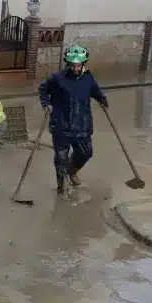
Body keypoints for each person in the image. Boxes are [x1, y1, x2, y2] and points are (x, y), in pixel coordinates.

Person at [38, 45, 108, 198]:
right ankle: (62, 189)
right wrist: (46, 104)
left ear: (83, 64)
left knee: (86, 153)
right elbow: (43, 89)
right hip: (61, 125)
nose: (76, 68)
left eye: (78, 65)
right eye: (73, 65)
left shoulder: (88, 78)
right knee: (61, 158)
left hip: (82, 125)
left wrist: (102, 99)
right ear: (68, 64)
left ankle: (72, 171)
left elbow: (96, 92)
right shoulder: (57, 78)